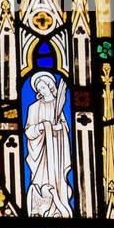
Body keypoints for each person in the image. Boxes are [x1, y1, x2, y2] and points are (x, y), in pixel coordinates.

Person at [25, 72, 73, 217]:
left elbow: (65, 126)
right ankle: (41, 209)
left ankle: (57, 208)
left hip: (56, 152)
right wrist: (42, 127)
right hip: (40, 152)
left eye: (44, 87)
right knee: (40, 181)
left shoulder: (57, 105)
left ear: (51, 86)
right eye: (39, 89)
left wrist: (59, 128)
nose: (41, 91)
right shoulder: (33, 107)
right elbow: (28, 131)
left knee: (57, 180)